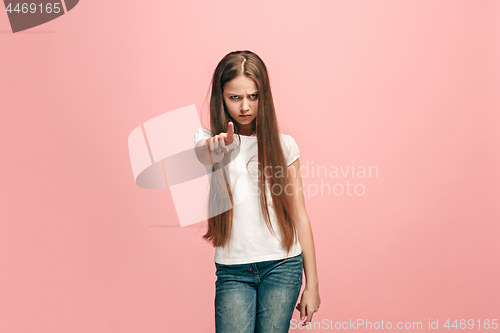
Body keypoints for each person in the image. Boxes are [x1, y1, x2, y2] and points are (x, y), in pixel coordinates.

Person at [193, 50, 320, 333]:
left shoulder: (284, 146)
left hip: (283, 267)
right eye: (235, 97)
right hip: (233, 270)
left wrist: (312, 284)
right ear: (221, 97)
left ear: (264, 96)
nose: (245, 106)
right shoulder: (208, 141)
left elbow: (300, 215)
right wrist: (216, 148)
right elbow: (203, 154)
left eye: (253, 96)